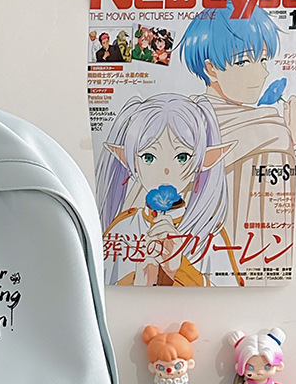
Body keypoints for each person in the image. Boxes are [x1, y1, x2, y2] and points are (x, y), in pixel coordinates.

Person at [179, 5, 296, 259]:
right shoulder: (272, 132)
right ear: (211, 69)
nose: (263, 72)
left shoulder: (177, 121)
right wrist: (295, 143)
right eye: (243, 61)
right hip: (249, 259)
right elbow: (281, 226)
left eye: (263, 59)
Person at [96, 92, 237, 286]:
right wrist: (140, 280)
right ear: (130, 162)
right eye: (148, 157)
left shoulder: (209, 234)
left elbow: (229, 296)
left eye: (182, 157)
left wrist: (178, 269)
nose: (166, 170)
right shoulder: (122, 229)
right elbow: (97, 288)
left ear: (203, 162)